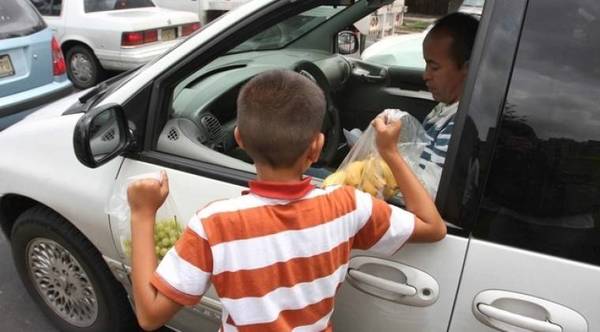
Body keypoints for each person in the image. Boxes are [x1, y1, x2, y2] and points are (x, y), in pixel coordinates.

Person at [126, 70, 446, 331]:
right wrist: (390, 153)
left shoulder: (215, 224)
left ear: (239, 139)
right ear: (317, 147)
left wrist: (142, 213)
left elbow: (150, 315)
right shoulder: (348, 206)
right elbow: (433, 227)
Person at [418, 12, 479, 195]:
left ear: (467, 69)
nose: (425, 75)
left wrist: (390, 156)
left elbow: (430, 194)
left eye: (434, 67)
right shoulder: (444, 108)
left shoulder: (458, 127)